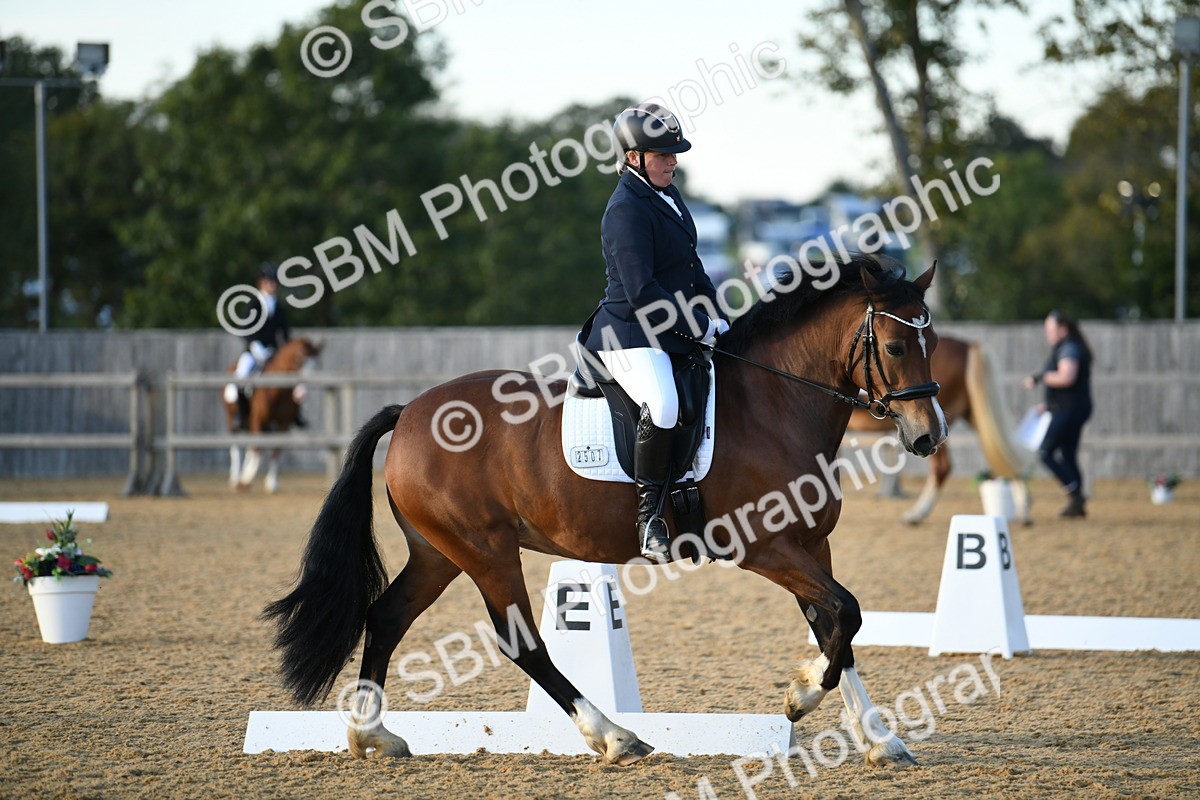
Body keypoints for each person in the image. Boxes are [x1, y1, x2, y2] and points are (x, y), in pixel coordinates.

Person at [578, 102, 729, 562]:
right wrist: (696, 324)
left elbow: (691, 266)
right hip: (628, 334)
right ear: (632, 157)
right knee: (662, 404)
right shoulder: (624, 210)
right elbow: (643, 290)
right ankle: (648, 520)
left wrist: (718, 313)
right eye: (662, 154)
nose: (672, 160)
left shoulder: (668, 194)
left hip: (671, 330)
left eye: (674, 153)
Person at [1023, 310, 1093, 517]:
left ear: (1063, 329)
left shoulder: (1069, 348)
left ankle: (1075, 493)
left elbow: (1067, 378)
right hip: (1069, 408)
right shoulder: (1067, 346)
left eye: (1051, 329)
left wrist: (1040, 378)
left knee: (1046, 451)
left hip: (1070, 410)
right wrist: (1048, 405)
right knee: (1069, 455)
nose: (1048, 334)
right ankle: (1077, 503)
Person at [224, 263, 304, 429]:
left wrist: (284, 352)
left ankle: (296, 414)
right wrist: (254, 345)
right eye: (269, 281)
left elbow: (285, 335)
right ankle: (240, 413)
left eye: (274, 282)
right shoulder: (253, 305)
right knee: (242, 375)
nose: (272, 285)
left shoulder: (280, 309)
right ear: (261, 283)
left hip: (273, 352)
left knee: (293, 378)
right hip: (254, 351)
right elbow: (244, 329)